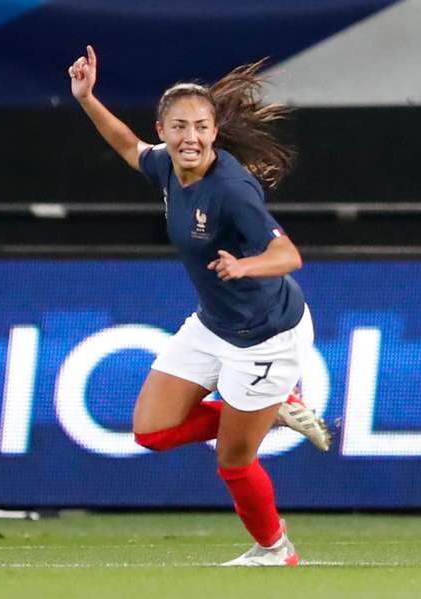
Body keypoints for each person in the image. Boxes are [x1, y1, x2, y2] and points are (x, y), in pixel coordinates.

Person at [69, 46, 327, 566]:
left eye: (202, 127)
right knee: (151, 432)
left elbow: (288, 254)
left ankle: (275, 548)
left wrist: (244, 266)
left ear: (213, 131)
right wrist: (86, 98)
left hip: (267, 336)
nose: (192, 137)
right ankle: (269, 410)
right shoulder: (165, 165)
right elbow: (127, 145)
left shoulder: (231, 189)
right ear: (163, 129)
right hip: (215, 326)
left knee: (233, 461)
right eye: (180, 126)